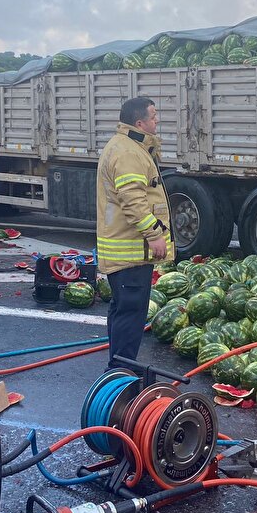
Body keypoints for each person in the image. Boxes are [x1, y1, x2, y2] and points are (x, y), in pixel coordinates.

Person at [96, 97, 172, 363]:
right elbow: (133, 200)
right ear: (139, 122)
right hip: (131, 249)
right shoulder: (128, 153)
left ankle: (118, 367)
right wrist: (154, 235)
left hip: (125, 249)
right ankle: (122, 373)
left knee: (121, 310)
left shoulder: (127, 146)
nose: (157, 119)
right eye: (153, 116)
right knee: (131, 313)